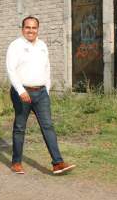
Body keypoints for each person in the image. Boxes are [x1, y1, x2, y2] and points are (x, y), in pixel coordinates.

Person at [6, 16, 75, 175]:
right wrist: (21, 91)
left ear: (38, 29)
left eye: (34, 27)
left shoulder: (42, 45)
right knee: (20, 127)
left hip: (41, 93)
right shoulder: (15, 45)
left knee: (48, 126)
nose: (31, 30)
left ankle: (58, 163)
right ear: (22, 29)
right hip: (22, 93)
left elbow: (47, 68)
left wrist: (47, 90)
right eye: (27, 27)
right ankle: (16, 163)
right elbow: (11, 70)